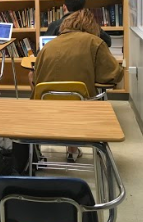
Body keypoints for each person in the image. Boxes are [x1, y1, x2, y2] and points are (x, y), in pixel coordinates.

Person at [33, 9, 124, 161]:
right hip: (81, 110)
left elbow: (36, 79)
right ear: (91, 25)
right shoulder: (95, 42)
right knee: (80, 96)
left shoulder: (48, 46)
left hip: (46, 110)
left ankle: (59, 152)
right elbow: (113, 75)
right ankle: (73, 150)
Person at [45, 0, 111, 47]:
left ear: (64, 7)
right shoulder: (90, 24)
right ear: (82, 9)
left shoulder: (55, 25)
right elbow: (108, 41)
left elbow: (42, 50)